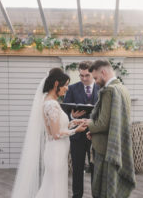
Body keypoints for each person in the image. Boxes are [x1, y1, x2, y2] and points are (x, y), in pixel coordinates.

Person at [11, 67, 87, 198]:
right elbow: (56, 134)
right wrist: (75, 130)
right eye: (66, 85)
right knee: (54, 187)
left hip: (57, 151)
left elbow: (56, 127)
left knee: (53, 185)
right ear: (56, 84)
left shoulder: (50, 101)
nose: (67, 88)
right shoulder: (51, 104)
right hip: (56, 152)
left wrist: (72, 122)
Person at [84, 60, 136, 198]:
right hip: (116, 144)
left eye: (95, 78)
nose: (95, 82)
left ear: (103, 72)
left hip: (106, 149)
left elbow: (102, 123)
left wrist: (87, 124)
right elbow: (113, 121)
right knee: (113, 188)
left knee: (103, 191)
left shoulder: (109, 91)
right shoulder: (122, 88)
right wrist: (93, 132)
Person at [63, 61, 99, 198]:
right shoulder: (71, 89)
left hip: (95, 136)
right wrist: (73, 116)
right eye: (81, 75)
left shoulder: (101, 89)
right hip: (77, 137)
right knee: (77, 169)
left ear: (93, 73)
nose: (84, 78)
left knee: (96, 169)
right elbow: (65, 113)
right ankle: (77, 196)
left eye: (87, 75)